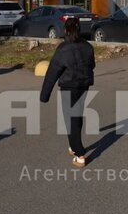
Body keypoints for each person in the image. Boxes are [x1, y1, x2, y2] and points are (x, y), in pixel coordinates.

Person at [40, 18, 96, 168]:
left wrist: (44, 95)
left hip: (69, 87)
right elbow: (92, 65)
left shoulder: (63, 49)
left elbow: (53, 71)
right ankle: (73, 145)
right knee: (76, 116)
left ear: (66, 30)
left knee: (70, 119)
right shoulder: (88, 47)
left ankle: (79, 153)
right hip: (84, 85)